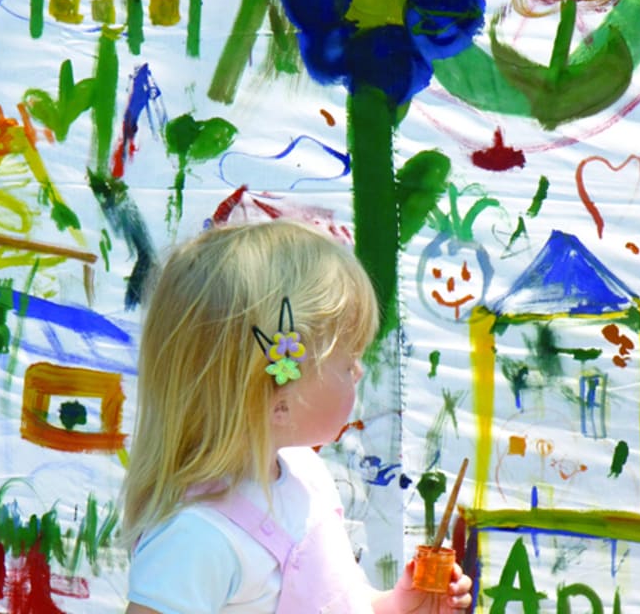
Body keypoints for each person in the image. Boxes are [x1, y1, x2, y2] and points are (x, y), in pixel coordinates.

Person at [120, 219, 473, 613]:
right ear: (280, 402)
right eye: (348, 362)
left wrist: (395, 606)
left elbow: (335, 601)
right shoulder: (196, 538)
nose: (359, 372)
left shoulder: (305, 474)